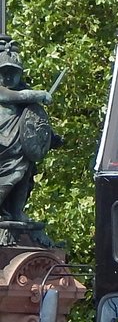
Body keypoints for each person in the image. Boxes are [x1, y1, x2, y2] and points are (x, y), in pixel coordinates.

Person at [0, 40, 59, 246]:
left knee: (23, 178)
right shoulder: (4, 91)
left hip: (22, 148)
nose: (8, 77)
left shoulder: (28, 99)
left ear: (20, 73)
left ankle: (16, 211)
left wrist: (50, 138)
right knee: (9, 177)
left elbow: (35, 123)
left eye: (12, 73)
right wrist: (41, 94)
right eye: (4, 72)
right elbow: (17, 96)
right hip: (4, 146)